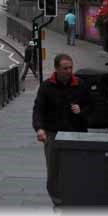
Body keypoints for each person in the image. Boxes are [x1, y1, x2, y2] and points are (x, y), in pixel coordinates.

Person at [32, 53, 90, 207]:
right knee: (54, 171)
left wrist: (82, 110)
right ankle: (58, 202)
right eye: (65, 68)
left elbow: (93, 107)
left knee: (77, 169)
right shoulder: (46, 86)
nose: (69, 71)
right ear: (56, 69)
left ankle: (75, 198)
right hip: (53, 135)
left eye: (71, 67)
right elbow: (38, 109)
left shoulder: (81, 85)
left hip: (76, 133)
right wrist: (39, 129)